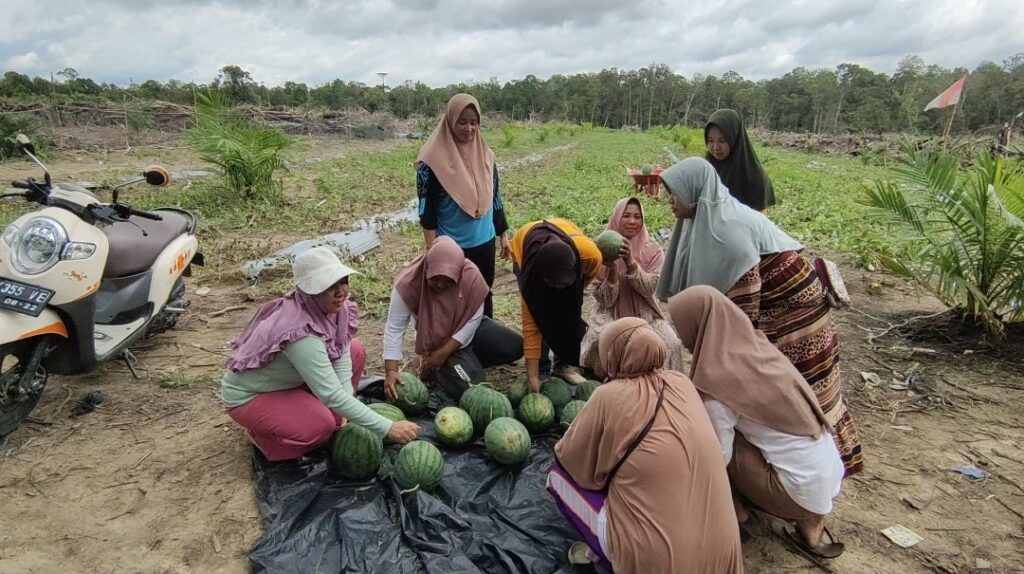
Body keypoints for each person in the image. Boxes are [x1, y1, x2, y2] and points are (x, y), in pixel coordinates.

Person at [656, 157, 863, 477]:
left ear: (694, 192)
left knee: (799, 388)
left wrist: (721, 364)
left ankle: (821, 465)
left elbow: (742, 321)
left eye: (675, 194)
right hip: (771, 305)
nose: (670, 202)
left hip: (795, 312)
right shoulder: (707, 218)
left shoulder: (726, 233)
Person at [548, 317, 744, 574]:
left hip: (659, 564)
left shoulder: (608, 396)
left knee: (556, 476)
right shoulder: (682, 383)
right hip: (724, 558)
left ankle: (606, 557)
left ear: (612, 356)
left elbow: (570, 460)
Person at [669, 286, 845, 559]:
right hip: (829, 476)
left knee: (705, 440)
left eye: (683, 331)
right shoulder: (758, 349)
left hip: (797, 492)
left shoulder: (718, 381)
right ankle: (811, 521)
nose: (682, 340)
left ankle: (735, 513)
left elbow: (717, 455)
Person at [221, 247, 420, 461]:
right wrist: (388, 427)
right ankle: (263, 436)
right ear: (310, 291)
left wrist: (345, 410)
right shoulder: (300, 333)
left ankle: (311, 409)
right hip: (253, 396)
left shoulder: (333, 310)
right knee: (320, 428)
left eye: (343, 281)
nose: (340, 292)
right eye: (329, 286)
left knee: (355, 350)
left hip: (291, 380)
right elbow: (331, 394)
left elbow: (343, 356)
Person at [382, 236, 523, 402]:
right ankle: (437, 366)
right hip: (437, 341)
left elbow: (473, 319)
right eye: (435, 279)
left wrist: (444, 352)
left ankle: (458, 362)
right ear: (428, 268)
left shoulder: (470, 276)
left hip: (467, 328)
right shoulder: (409, 283)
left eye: (447, 280)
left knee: (515, 347)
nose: (441, 285)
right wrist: (391, 371)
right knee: (474, 393)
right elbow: (394, 328)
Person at [416, 93, 509, 318]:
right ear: (450, 121)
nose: (469, 128)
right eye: (463, 122)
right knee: (453, 299)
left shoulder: (487, 155)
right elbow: (426, 213)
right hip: (453, 246)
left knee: (484, 293)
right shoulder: (430, 162)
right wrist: (434, 251)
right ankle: (456, 347)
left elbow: (495, 197)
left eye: (474, 122)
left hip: (485, 241)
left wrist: (503, 234)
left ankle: (485, 343)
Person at [580, 197, 685, 378]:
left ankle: (666, 381)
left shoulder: (653, 250)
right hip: (610, 313)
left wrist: (630, 262)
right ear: (617, 218)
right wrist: (612, 270)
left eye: (637, 217)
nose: (632, 221)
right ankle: (610, 378)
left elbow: (649, 289)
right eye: (626, 216)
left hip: (645, 314)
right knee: (600, 338)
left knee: (671, 342)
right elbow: (605, 300)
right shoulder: (599, 249)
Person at [509, 218, 602, 390]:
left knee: (567, 312)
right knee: (541, 315)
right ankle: (541, 367)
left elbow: (589, 276)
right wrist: (532, 379)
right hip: (524, 247)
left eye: (564, 285)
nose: (559, 290)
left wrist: (571, 295)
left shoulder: (589, 255)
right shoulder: (531, 280)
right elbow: (531, 329)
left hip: (568, 251)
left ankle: (564, 363)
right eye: (555, 286)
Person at [705, 108, 776, 211]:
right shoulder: (706, 168)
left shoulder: (753, 177)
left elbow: (758, 221)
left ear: (735, 138)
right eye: (710, 141)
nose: (716, 147)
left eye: (723, 140)